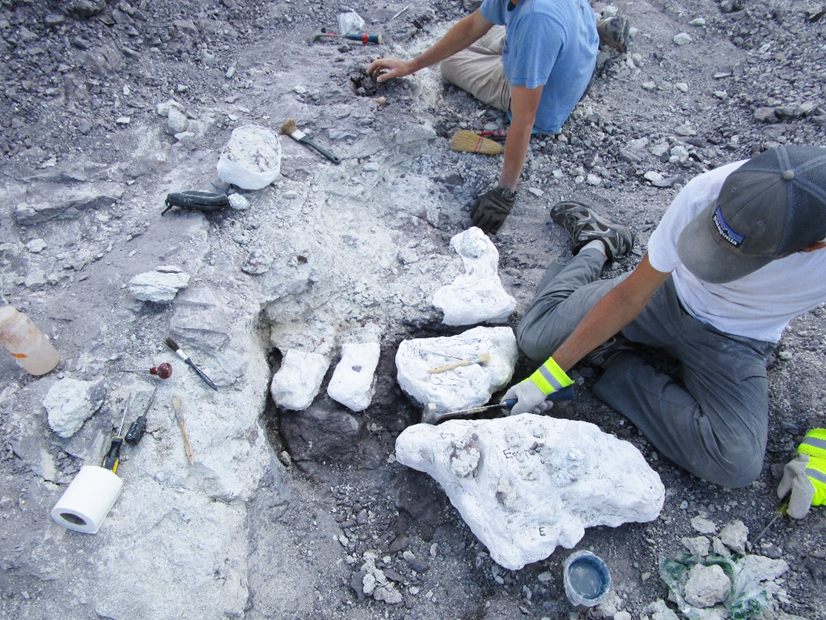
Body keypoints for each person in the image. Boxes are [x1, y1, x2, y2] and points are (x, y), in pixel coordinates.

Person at [502, 145, 826, 491]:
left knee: (734, 462)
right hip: (664, 295)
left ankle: (611, 356)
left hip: (737, 339)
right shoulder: (708, 191)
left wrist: (821, 451)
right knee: (535, 340)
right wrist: (546, 379)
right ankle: (597, 245)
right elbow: (630, 296)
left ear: (812, 246)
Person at [366, 0, 629, 235]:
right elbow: (473, 25)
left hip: (550, 96)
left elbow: (525, 118)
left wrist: (505, 192)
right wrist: (411, 65)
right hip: (576, 43)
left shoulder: (536, 20)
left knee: (450, 62)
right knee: (493, 26)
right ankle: (596, 26)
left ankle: (551, 45)